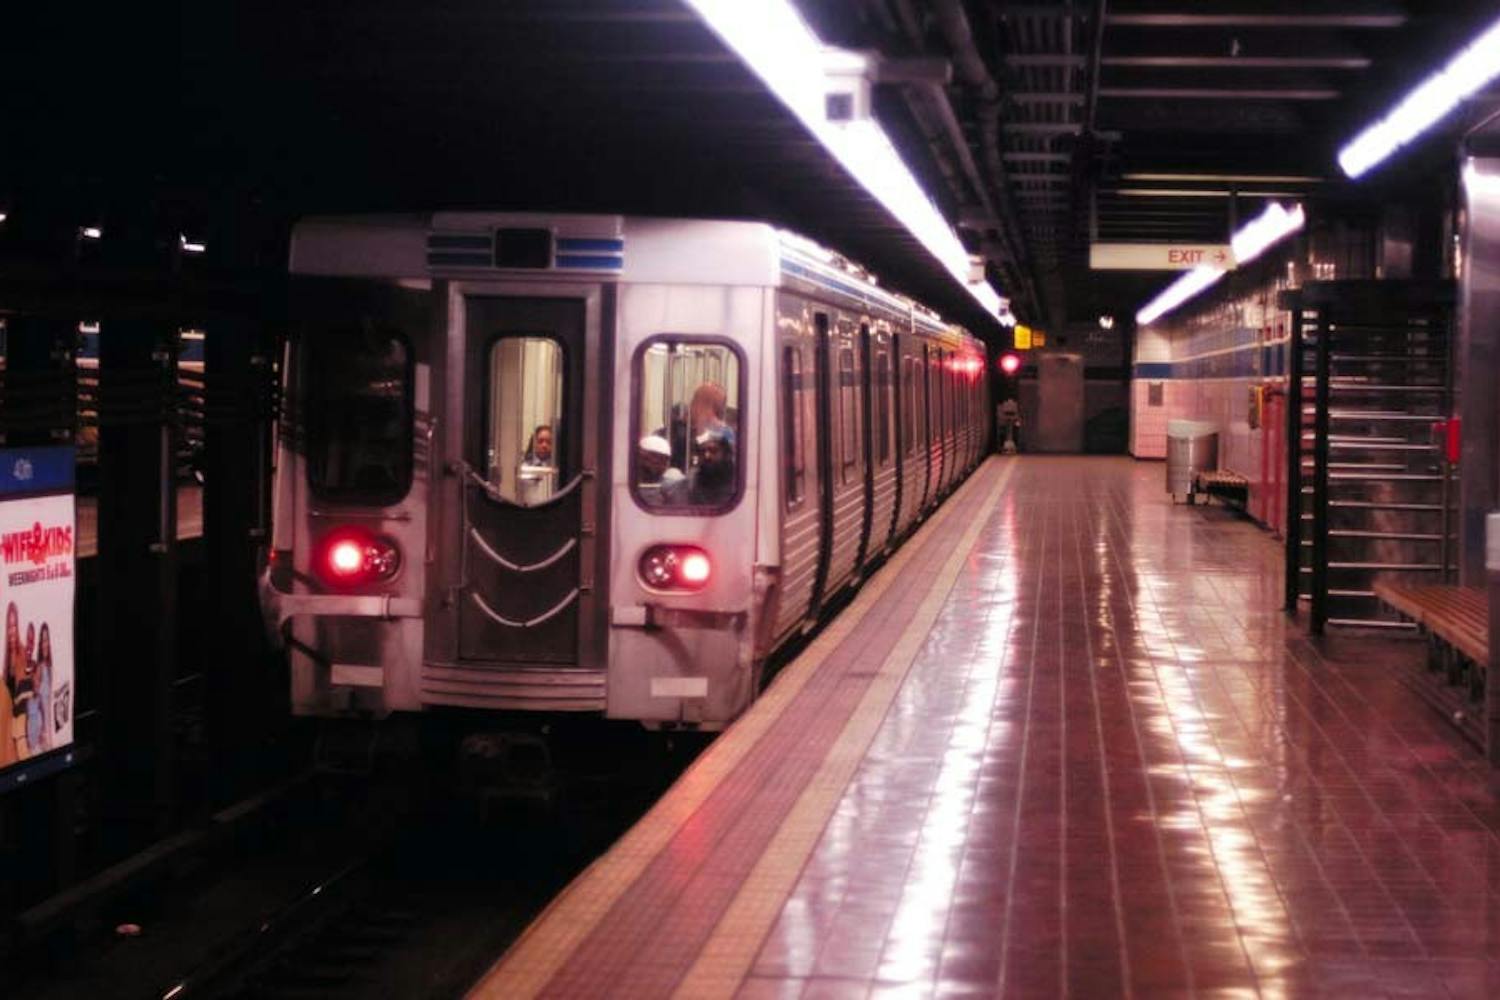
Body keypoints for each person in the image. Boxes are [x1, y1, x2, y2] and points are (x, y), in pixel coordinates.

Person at [687, 427, 736, 506]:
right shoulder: (692, 481)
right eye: (702, 451)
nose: (707, 456)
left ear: (726, 454)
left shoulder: (738, 482)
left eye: (713, 451)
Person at [637, 435, 683, 507]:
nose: (660, 465)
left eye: (664, 460)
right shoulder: (630, 482)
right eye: (653, 458)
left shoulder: (671, 484)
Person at [29, 624, 52, 755]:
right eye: (43, 640)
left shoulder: (49, 667)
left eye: (47, 640)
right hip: (41, 740)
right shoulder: (39, 668)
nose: (45, 644)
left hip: (50, 735)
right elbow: (36, 706)